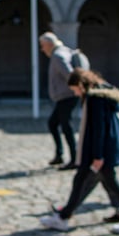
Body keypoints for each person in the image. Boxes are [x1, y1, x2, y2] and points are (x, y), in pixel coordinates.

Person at [40, 68, 119, 234]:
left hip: (98, 152)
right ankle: (64, 217)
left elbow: (98, 129)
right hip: (104, 149)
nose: (75, 94)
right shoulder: (104, 93)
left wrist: (97, 155)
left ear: (81, 85)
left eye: (75, 90)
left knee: (108, 183)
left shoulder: (95, 99)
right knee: (84, 180)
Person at [39, 32, 79, 170]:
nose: (42, 49)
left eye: (43, 46)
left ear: (50, 44)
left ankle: (74, 158)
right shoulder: (62, 51)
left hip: (66, 96)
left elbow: (69, 74)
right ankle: (60, 154)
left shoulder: (57, 56)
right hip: (65, 96)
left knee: (65, 126)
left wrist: (75, 87)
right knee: (53, 123)